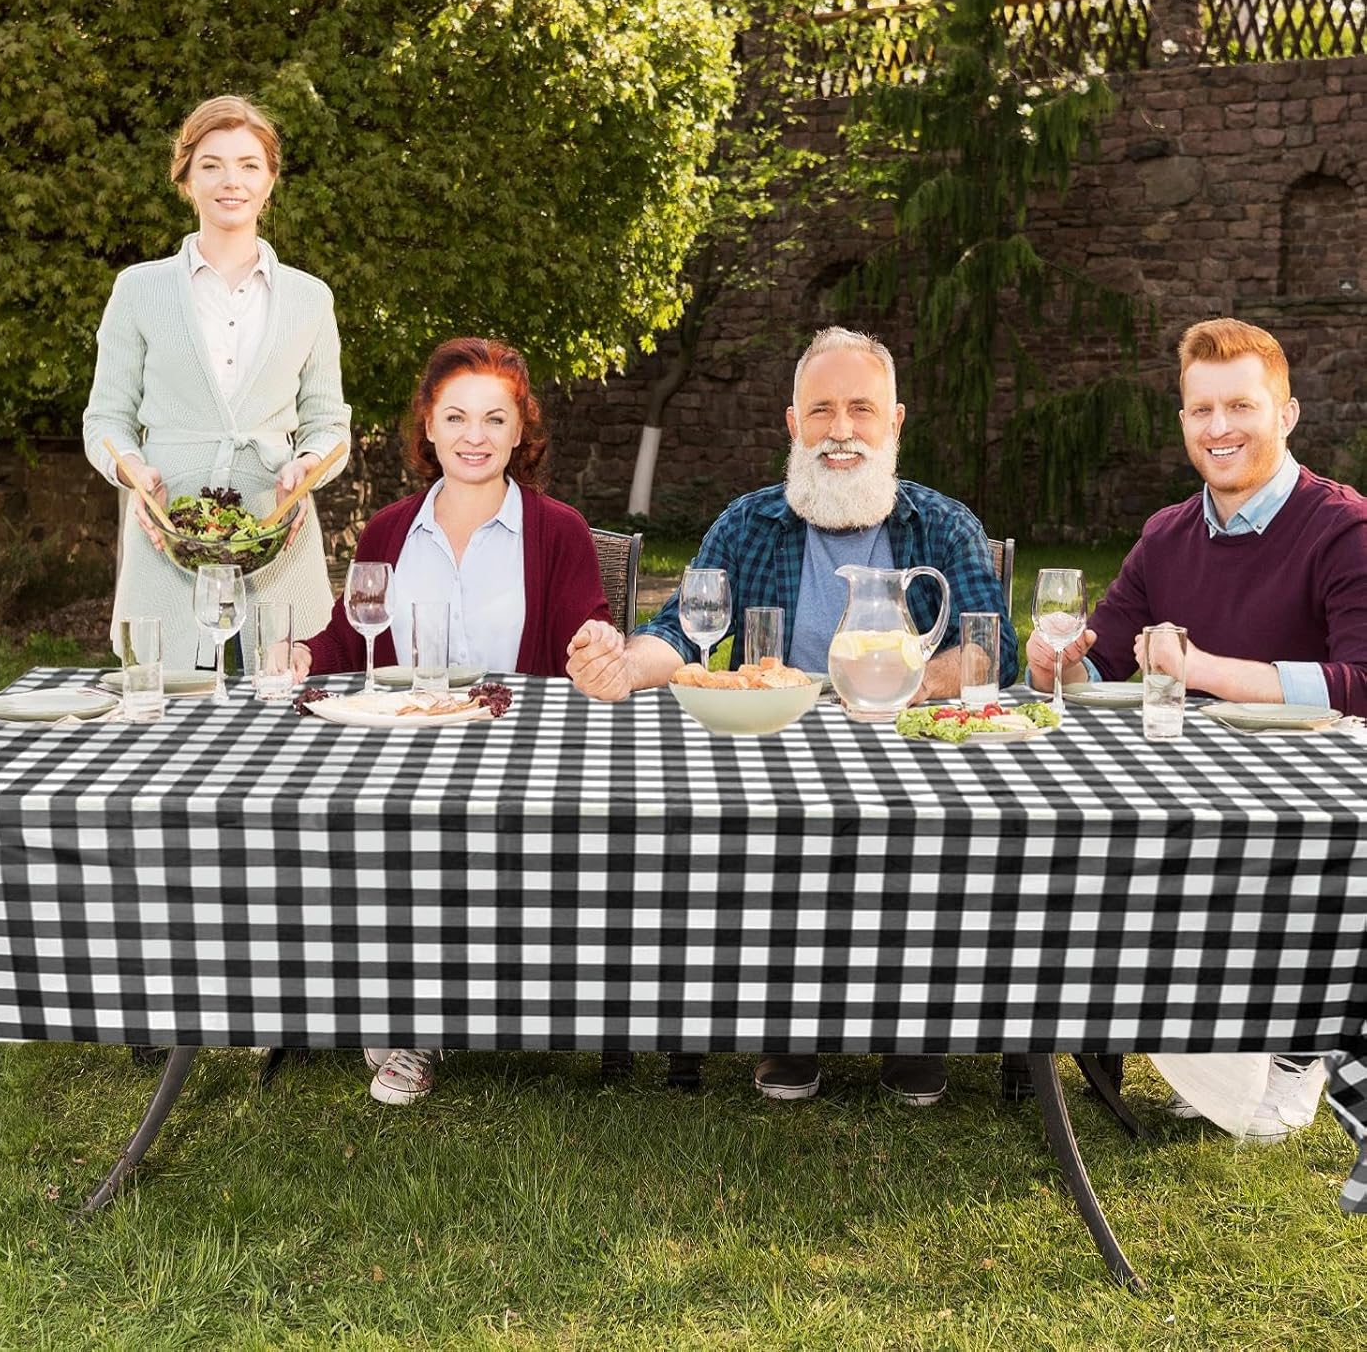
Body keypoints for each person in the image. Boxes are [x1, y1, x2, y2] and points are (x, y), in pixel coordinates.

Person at [567, 326, 1017, 1106]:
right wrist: (623, 665)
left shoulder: (941, 524)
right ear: (792, 424)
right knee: (753, 826)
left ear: (894, 423)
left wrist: (910, 682)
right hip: (779, 755)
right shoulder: (749, 523)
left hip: (906, 755)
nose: (841, 431)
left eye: (861, 410)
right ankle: (789, 1024)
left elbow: (992, 649)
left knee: (924, 838)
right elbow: (681, 628)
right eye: (821, 411)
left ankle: (911, 1029)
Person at [1028, 315, 1367, 1142]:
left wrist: (1204, 669)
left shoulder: (1345, 527)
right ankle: (1158, 1025)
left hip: (1314, 793)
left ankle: (1293, 1051)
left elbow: (1362, 685)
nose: (1220, 428)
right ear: (1182, 420)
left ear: (1286, 414)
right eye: (1202, 409)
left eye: (1241, 406)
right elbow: (1101, 665)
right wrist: (1055, 665)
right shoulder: (1166, 534)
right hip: (1196, 786)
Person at [293, 335, 612, 1103]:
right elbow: (350, 636)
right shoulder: (387, 530)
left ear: (520, 430)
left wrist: (597, 642)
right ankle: (404, 1010)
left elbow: (587, 626)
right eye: (457, 417)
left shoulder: (558, 530)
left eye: (495, 419)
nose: (476, 436)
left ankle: (421, 1022)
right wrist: (303, 652)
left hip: (518, 755)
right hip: (406, 746)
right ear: (429, 426)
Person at [83, 95, 351, 670]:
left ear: (270, 180)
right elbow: (105, 418)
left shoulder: (310, 298)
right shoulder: (139, 290)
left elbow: (329, 423)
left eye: (249, 165)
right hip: (166, 542)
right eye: (212, 165)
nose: (232, 181)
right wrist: (135, 475)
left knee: (287, 700)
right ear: (186, 179)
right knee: (163, 705)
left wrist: (308, 467)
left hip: (278, 538)